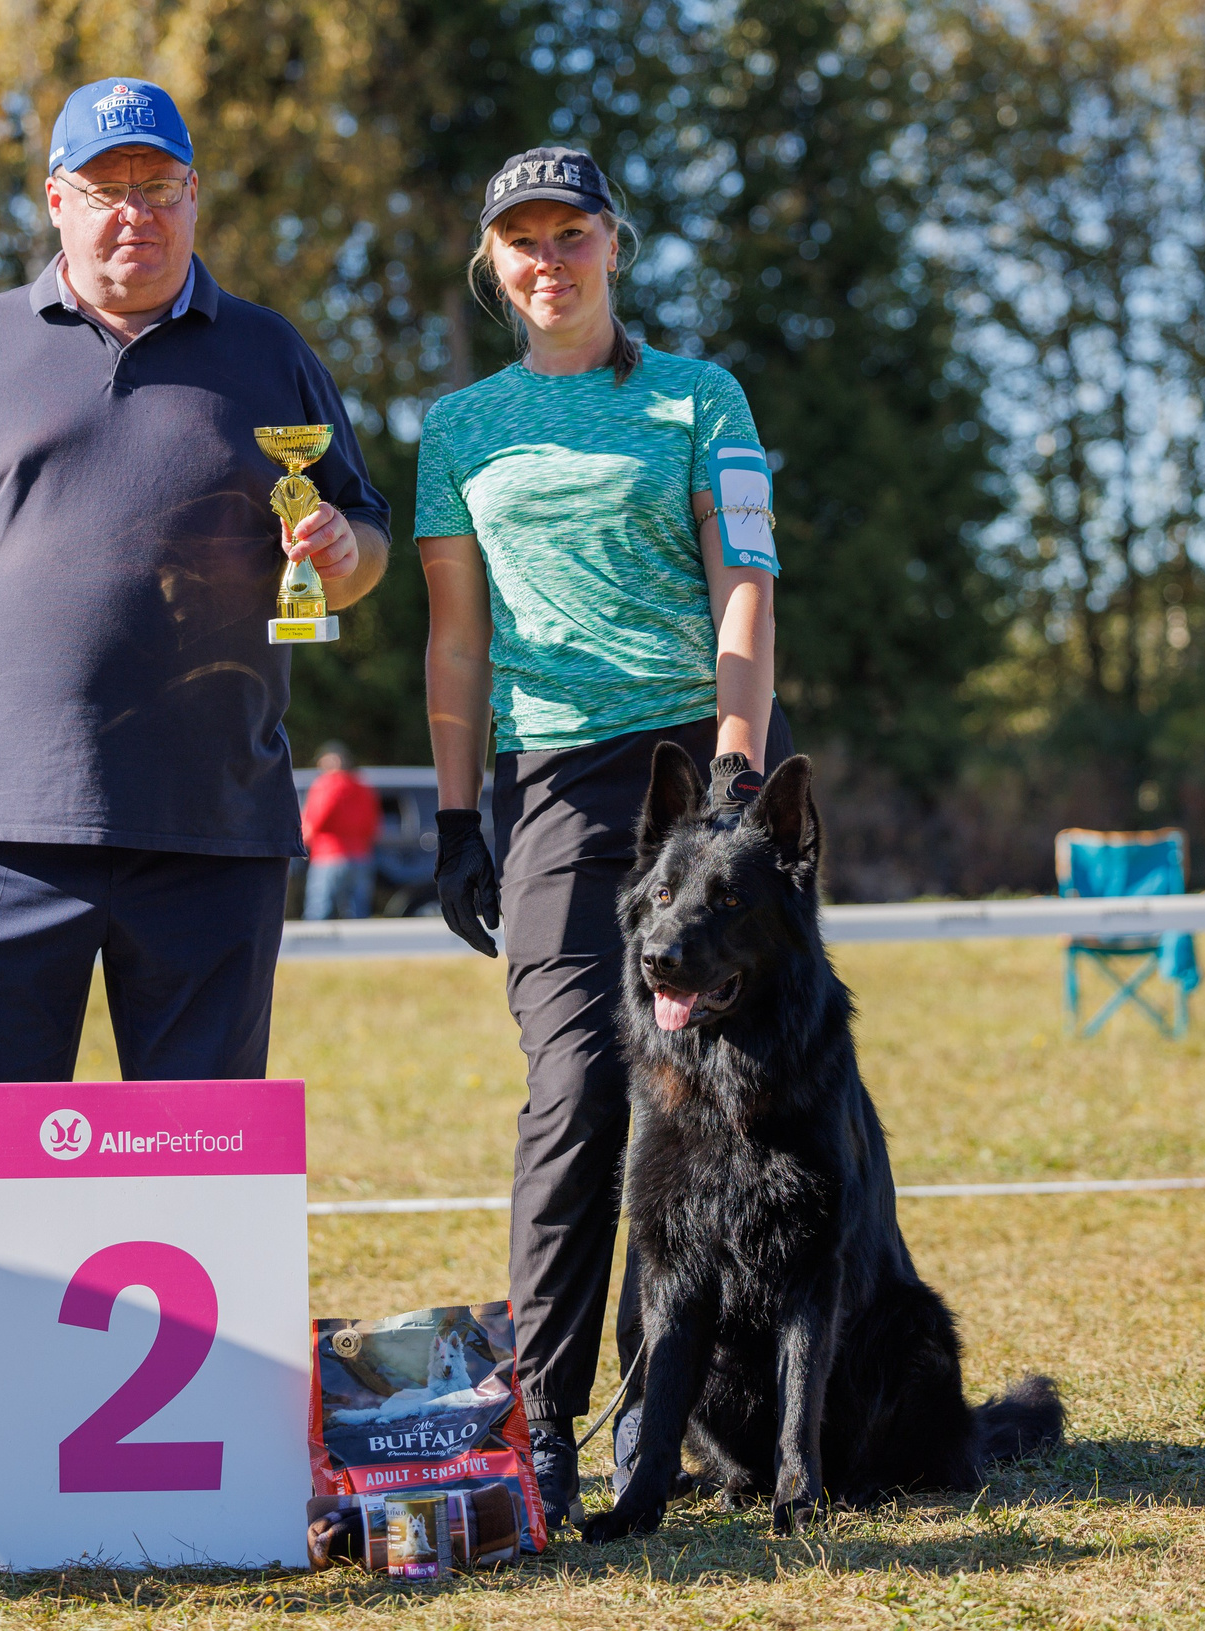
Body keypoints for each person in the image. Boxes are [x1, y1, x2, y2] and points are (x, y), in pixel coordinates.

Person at [0, 75, 390, 1531]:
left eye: (160, 189)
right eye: (106, 190)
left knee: (198, 1146)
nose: (133, 215)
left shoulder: (271, 353)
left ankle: (201, 1434)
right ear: (56, 202)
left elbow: (359, 540)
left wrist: (341, 556)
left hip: (212, 823)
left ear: (194, 200)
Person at [415, 145, 789, 1531]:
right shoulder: (460, 426)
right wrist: (458, 813)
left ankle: (686, 1415)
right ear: (493, 260)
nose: (548, 259)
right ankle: (542, 1425)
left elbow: (742, 583)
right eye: (522, 238)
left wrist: (737, 771)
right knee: (575, 1089)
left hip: (696, 771)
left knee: (717, 1098)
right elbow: (457, 638)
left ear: (614, 244)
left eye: (571, 232)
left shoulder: (699, 396)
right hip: (555, 785)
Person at [299, 742, 380, 920]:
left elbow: (316, 818)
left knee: (318, 911)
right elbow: (373, 824)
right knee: (358, 912)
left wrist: (302, 840)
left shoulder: (326, 784)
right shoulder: (363, 787)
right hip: (361, 855)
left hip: (328, 855)